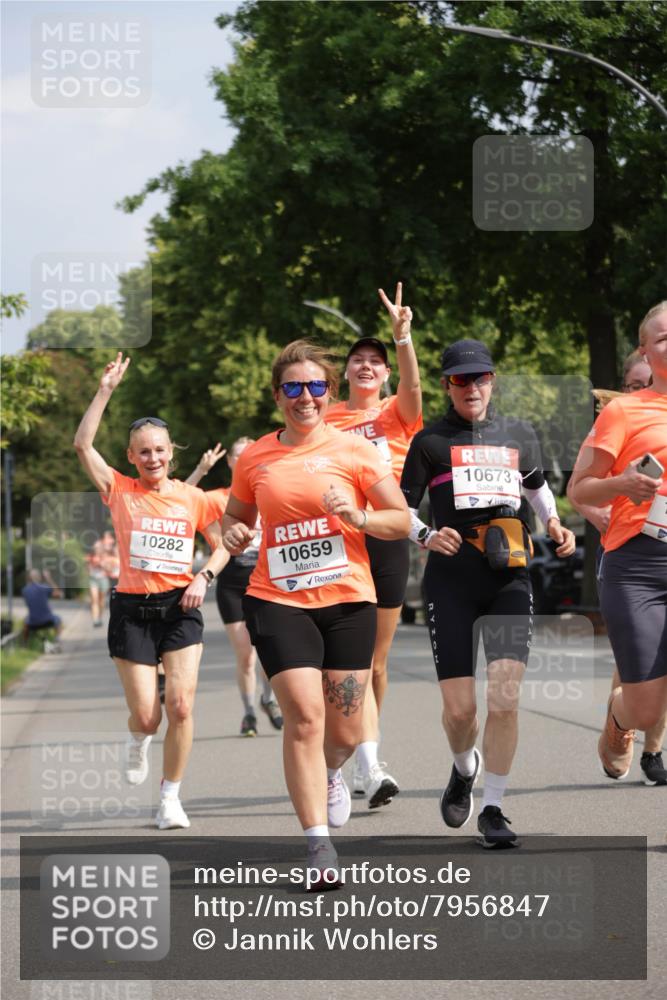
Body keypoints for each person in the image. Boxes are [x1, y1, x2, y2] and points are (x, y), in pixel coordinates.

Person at [221, 340, 410, 882]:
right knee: (305, 717)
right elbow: (234, 518)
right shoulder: (256, 456)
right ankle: (318, 846)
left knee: (345, 733)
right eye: (293, 387)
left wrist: (360, 517)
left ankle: (331, 772)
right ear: (277, 395)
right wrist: (232, 533)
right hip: (278, 599)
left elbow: (400, 520)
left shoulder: (356, 451)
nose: (305, 397)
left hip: (349, 599)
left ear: (329, 391)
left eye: (316, 386)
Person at [401, 339, 575, 847]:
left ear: (493, 381)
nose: (471, 387)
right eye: (461, 379)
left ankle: (493, 808)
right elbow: (401, 508)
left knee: (504, 697)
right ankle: (464, 767)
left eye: (479, 378)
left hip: (508, 577)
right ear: (446, 386)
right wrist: (425, 535)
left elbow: (537, 487)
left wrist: (554, 522)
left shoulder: (518, 433)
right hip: (451, 579)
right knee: (461, 712)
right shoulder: (429, 442)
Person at [73, 353, 226, 830]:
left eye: (159, 450)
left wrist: (203, 578)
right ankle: (138, 739)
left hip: (180, 606)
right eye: (143, 452)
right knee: (147, 716)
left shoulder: (193, 497)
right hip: (133, 611)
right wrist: (105, 391)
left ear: (170, 453)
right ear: (131, 457)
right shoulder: (119, 490)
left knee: (181, 706)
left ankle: (170, 798)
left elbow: (222, 547)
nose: (153, 458)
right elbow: (82, 444)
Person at [325, 282, 422, 807]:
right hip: (342, 543)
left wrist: (402, 337)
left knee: (377, 664)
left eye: (375, 362)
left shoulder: (397, 414)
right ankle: (368, 763)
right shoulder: (326, 419)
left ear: (385, 375)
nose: (366, 366)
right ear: (345, 372)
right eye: (357, 360)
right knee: (354, 660)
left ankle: (365, 756)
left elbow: (414, 385)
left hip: (386, 536)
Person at [570, 303, 667, 784]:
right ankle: (620, 715)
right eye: (663, 338)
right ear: (645, 351)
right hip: (639, 565)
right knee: (647, 709)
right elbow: (580, 488)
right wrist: (622, 483)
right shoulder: (624, 411)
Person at [186, 438, 283, 736]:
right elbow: (181, 499)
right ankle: (249, 713)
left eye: (249, 453)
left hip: (265, 581)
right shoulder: (218, 498)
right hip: (232, 583)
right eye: (238, 455)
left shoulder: (270, 491)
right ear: (229, 462)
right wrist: (201, 470)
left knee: (268, 650)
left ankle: (268, 698)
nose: (243, 459)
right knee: (245, 655)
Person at [22, 569, 63, 649]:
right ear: (39, 578)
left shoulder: (25, 590)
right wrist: (49, 579)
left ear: (29, 578)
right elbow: (59, 594)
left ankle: (25, 645)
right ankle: (57, 640)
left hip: (32, 622)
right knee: (58, 619)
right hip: (48, 620)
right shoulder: (44, 588)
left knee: (25, 622)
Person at [85, 538, 109, 627]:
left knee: (101, 601)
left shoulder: (105, 556)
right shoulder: (90, 556)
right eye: (95, 547)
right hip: (93, 579)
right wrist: (89, 567)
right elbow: (86, 568)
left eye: (98, 547)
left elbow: (109, 569)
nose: (96, 549)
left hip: (103, 579)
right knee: (94, 599)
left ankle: (100, 617)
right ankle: (95, 620)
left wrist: (102, 565)